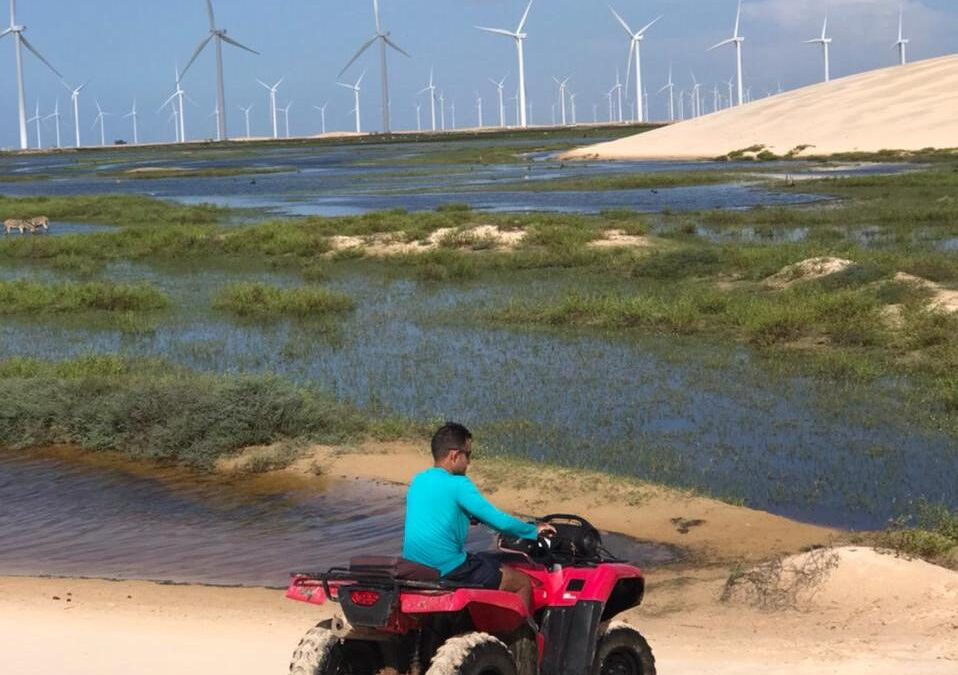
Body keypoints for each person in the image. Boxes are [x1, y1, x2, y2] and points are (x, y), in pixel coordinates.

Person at [402, 422, 554, 612]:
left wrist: (470, 517)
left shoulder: (418, 481)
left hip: (415, 566)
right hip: (449, 568)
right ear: (454, 455)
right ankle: (522, 640)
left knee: (482, 559)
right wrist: (533, 530)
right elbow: (498, 521)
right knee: (521, 582)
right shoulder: (458, 484)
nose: (470, 462)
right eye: (468, 454)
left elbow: (437, 512)